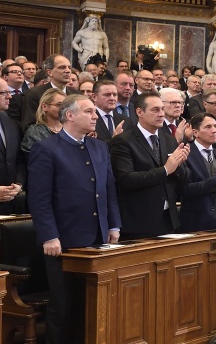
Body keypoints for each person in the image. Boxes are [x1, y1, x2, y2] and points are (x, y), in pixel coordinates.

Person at [28, 94, 122, 343]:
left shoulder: (99, 146)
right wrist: (49, 235)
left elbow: (108, 187)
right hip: (64, 241)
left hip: (98, 237)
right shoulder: (46, 148)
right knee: (63, 306)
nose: (95, 116)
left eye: (94, 112)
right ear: (70, 115)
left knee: (92, 304)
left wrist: (113, 223)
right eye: (89, 112)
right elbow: (39, 198)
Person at [110, 92, 190, 239]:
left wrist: (179, 166)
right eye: (155, 110)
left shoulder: (169, 140)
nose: (161, 114)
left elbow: (182, 181)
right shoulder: (123, 141)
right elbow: (126, 179)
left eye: (162, 109)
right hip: (138, 221)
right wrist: (165, 169)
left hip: (168, 220)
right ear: (139, 112)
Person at [0, 79, 24, 214]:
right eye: (4, 93)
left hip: (10, 204)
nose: (10, 96)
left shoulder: (10, 123)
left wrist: (19, 185)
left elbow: (18, 159)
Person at [21, 88, 65, 158]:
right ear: (45, 107)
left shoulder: (72, 129)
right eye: (59, 105)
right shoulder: (35, 132)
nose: (63, 108)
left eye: (65, 105)